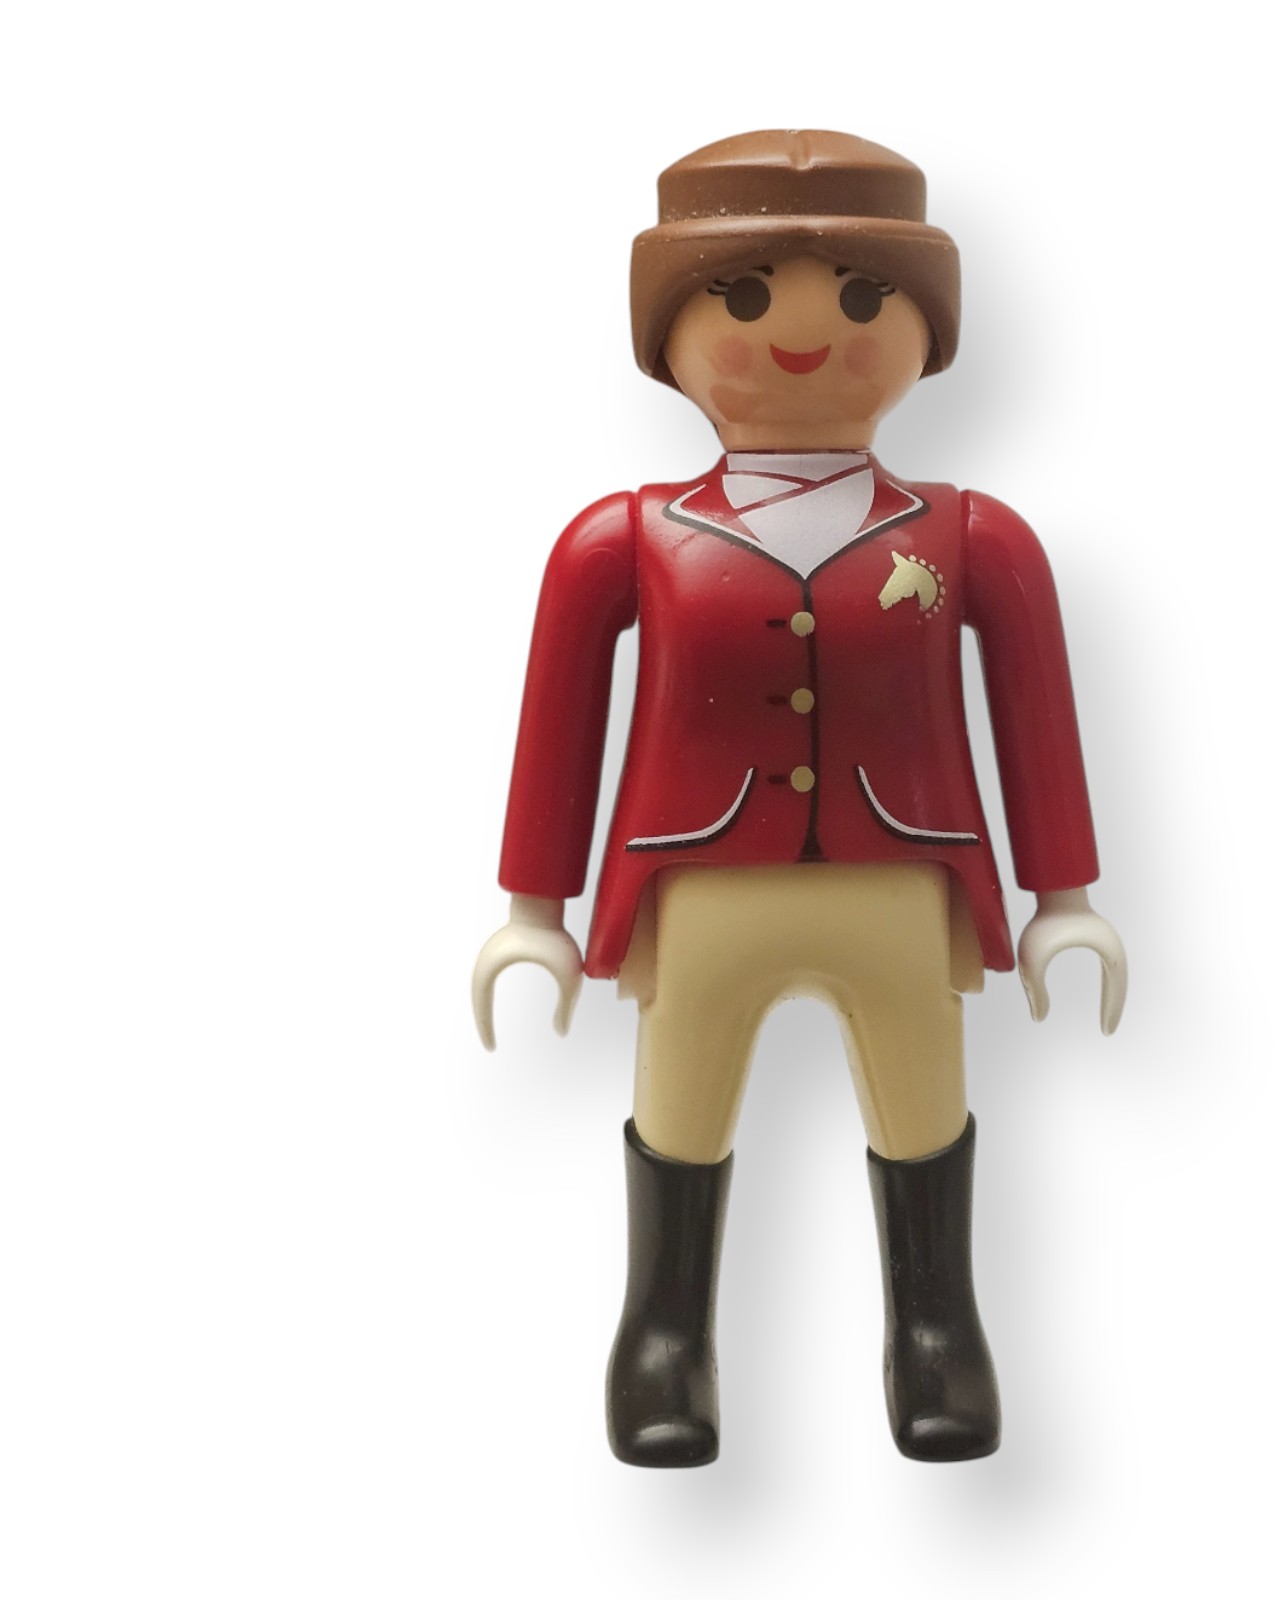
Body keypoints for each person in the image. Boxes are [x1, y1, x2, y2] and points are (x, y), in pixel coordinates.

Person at [472, 130, 1126, 1466]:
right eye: (746, 295)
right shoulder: (626, 538)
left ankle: (936, 1332)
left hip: (905, 877)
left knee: (923, 1106)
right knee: (683, 1105)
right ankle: (664, 1337)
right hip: (698, 882)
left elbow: (1037, 717)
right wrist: (533, 910)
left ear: (928, 333)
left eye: (867, 297)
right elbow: (559, 724)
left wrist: (1064, 895)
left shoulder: (973, 536)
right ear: (669, 333)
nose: (805, 334)